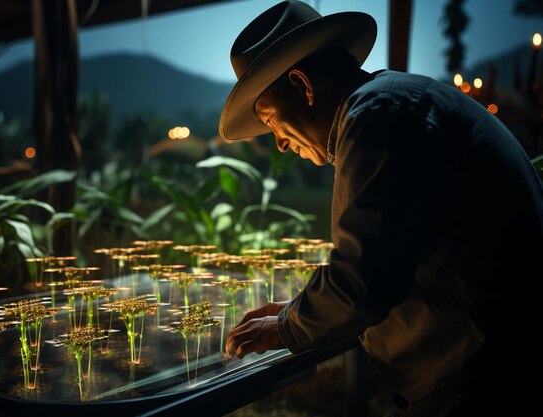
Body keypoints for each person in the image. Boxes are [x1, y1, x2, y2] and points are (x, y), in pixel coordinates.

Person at [220, 1, 543, 416]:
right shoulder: (394, 104)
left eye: (272, 122)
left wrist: (287, 327)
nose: (280, 142)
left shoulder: (376, 116)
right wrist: (299, 311)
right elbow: (389, 256)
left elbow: (361, 281)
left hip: (482, 384)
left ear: (302, 85)